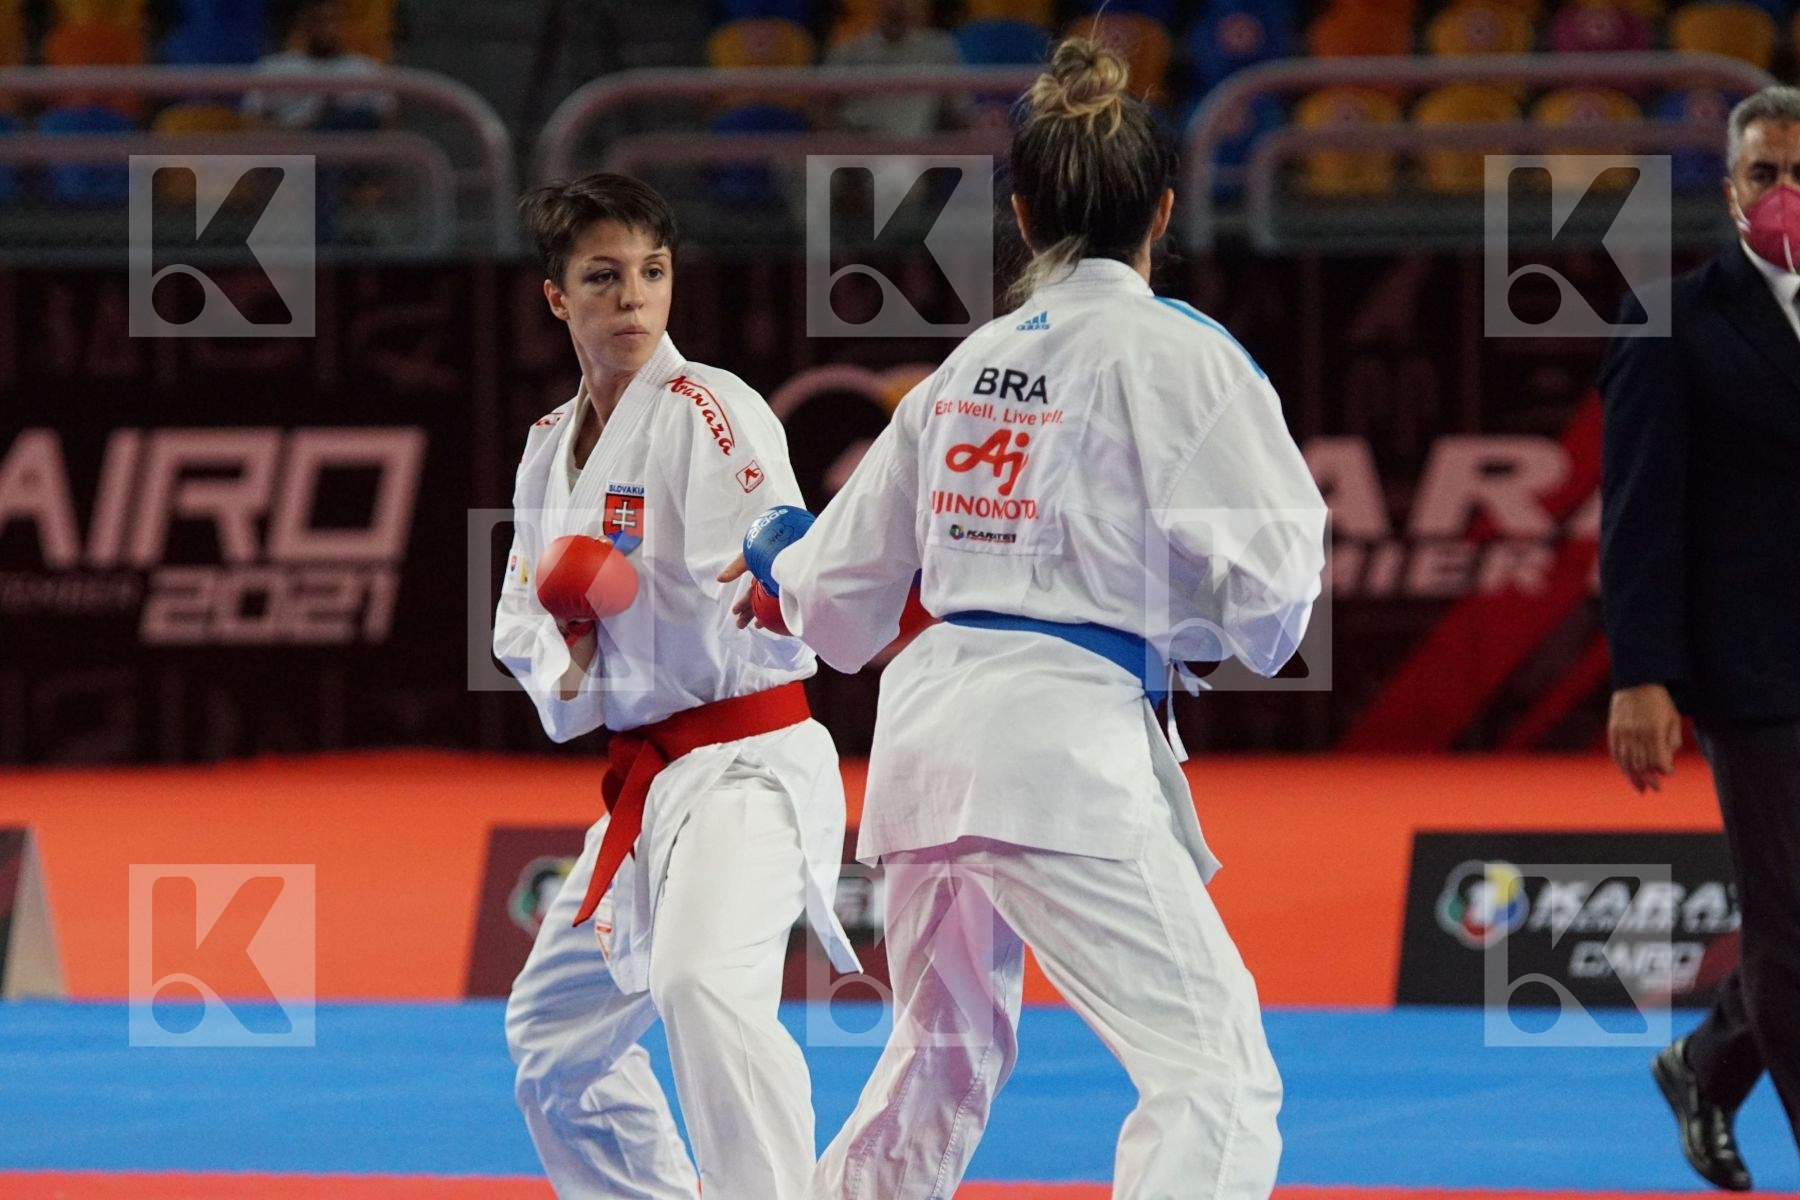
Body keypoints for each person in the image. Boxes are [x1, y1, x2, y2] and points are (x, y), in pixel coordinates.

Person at [724, 38, 1327, 1200]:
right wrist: (1180, 609)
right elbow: (1275, 602)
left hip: (927, 749)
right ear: (1163, 209)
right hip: (1063, 755)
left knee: (939, 1061)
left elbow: (839, 605)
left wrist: (779, 561)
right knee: (1213, 1071)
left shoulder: (964, 367)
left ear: (1020, 210)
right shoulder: (1186, 359)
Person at [493, 172, 858, 1200]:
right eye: (602, 278)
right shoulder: (543, 451)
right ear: (558, 298)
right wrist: (567, 649)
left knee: (702, 987)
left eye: (651, 273)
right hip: (649, 782)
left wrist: (775, 572)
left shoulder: (712, 409)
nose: (633, 299)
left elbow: (771, 558)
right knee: (553, 1033)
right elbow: (522, 616)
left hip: (745, 764)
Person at [1601, 84, 1800, 1194]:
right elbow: (1637, 517)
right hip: (1752, 665)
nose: (1786, 194)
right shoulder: (1668, 319)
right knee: (1792, 921)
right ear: (1730, 192)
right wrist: (1643, 675)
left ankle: (1707, 1064)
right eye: (1765, 172)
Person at [243, 0, 395, 131]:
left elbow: (389, 126)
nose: (327, 29)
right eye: (319, 20)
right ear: (304, 23)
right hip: (297, 154)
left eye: (333, 20)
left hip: (352, 156)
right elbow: (252, 126)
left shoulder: (365, 69)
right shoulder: (274, 68)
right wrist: (307, 129)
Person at [824, 0, 962, 137]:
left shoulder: (939, 49)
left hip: (919, 148)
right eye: (889, 2)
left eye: (904, 2)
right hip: (860, 149)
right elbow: (819, 104)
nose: (895, 6)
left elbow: (958, 111)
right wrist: (843, 140)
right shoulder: (849, 52)